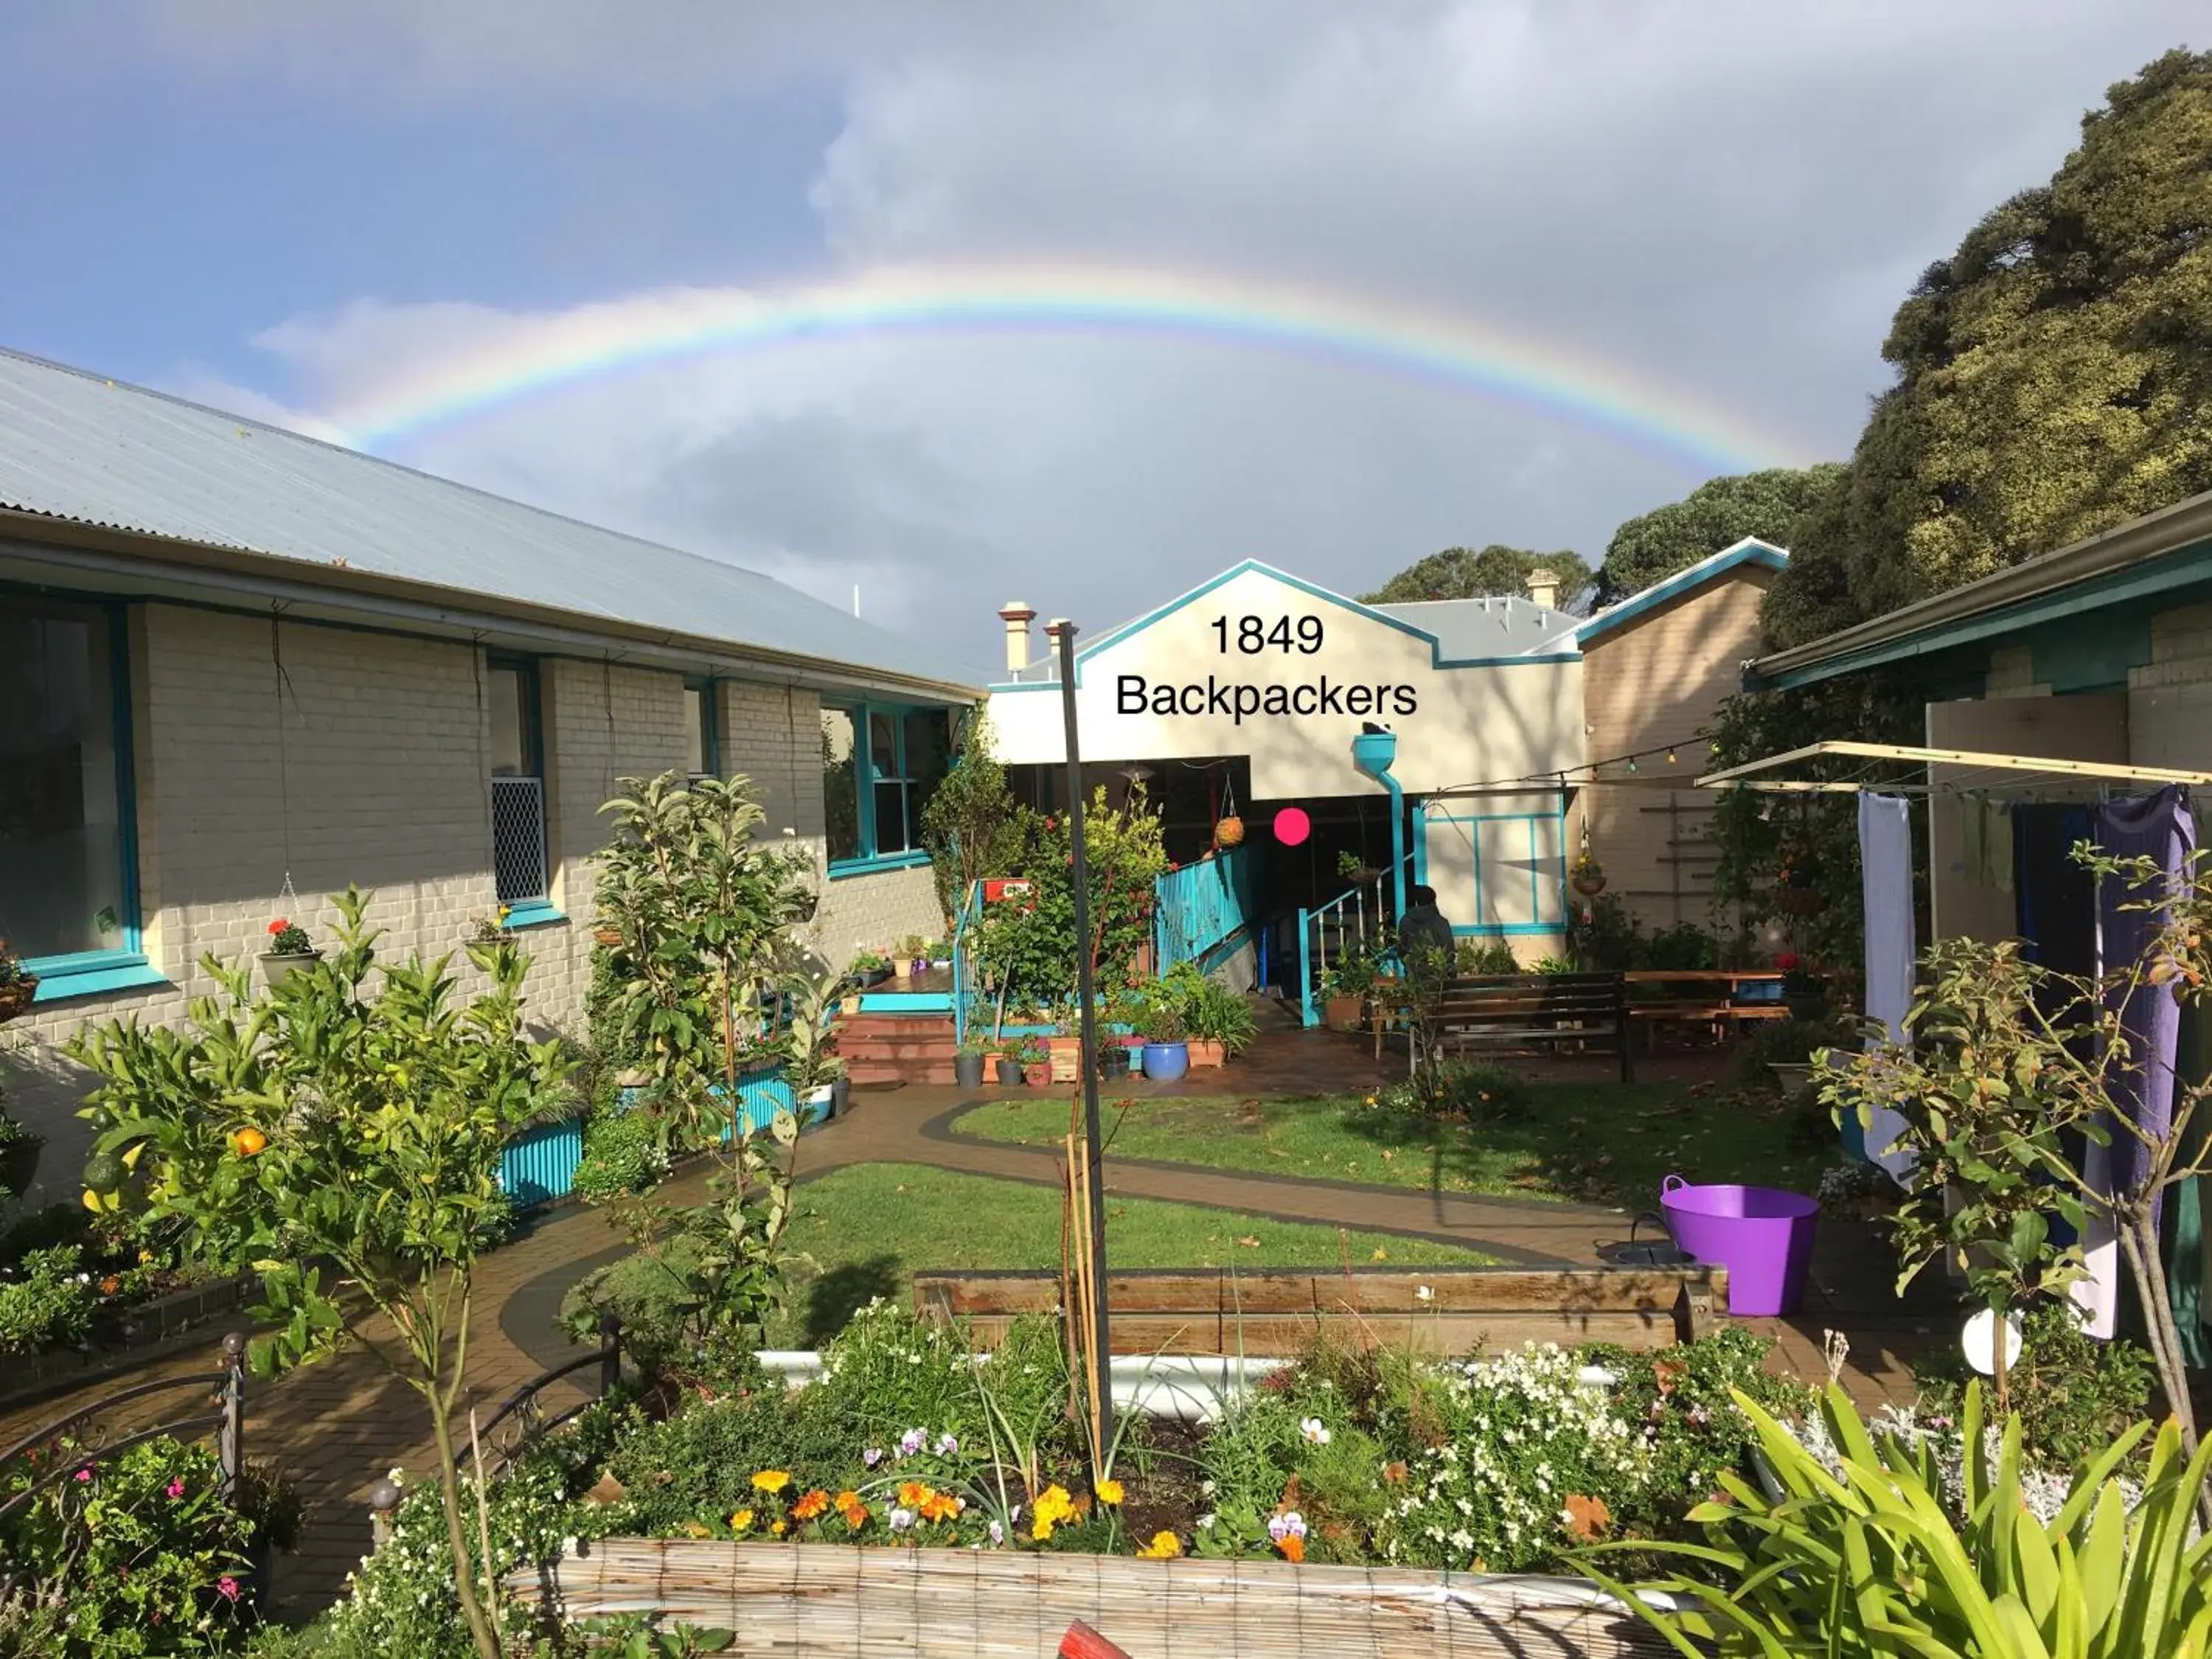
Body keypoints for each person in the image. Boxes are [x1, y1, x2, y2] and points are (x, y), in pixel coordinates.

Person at [1395, 884, 1455, 976]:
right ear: (1433, 902)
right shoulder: (1440, 922)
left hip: (1414, 974)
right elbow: (1448, 947)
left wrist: (1409, 965)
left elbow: (1401, 948)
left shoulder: (1405, 921)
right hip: (1438, 974)